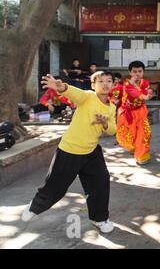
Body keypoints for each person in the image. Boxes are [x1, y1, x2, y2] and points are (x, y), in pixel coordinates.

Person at [21, 71, 117, 233]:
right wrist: (61, 87)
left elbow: (112, 129)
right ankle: (35, 206)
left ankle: (99, 219)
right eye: (101, 81)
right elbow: (75, 93)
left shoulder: (111, 107)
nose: (106, 84)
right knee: (56, 187)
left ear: (113, 85)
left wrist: (105, 124)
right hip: (70, 150)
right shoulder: (88, 97)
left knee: (100, 182)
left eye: (109, 81)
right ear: (93, 86)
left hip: (92, 151)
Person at [116, 61, 153, 165]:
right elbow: (135, 93)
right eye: (134, 71)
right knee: (130, 135)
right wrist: (146, 96)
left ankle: (142, 155)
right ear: (130, 72)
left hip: (140, 111)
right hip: (127, 113)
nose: (137, 74)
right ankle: (134, 147)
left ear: (143, 72)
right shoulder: (127, 84)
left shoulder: (145, 82)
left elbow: (146, 92)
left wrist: (148, 94)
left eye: (140, 71)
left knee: (145, 132)